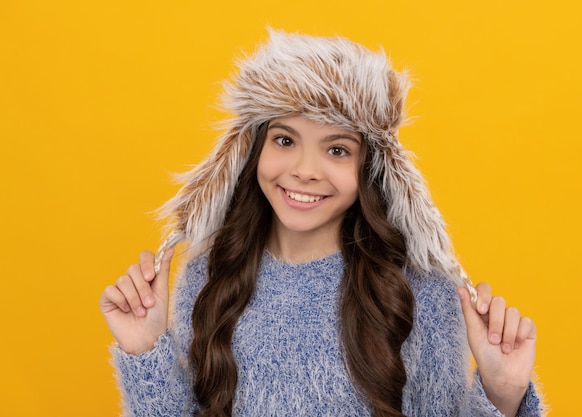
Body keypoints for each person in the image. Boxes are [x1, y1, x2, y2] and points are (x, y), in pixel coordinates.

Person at [100, 29, 545, 417]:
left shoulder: (414, 290)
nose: (305, 169)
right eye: (285, 139)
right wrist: (145, 348)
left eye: (337, 149)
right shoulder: (211, 275)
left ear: (370, 168)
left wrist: (502, 395)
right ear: (252, 148)